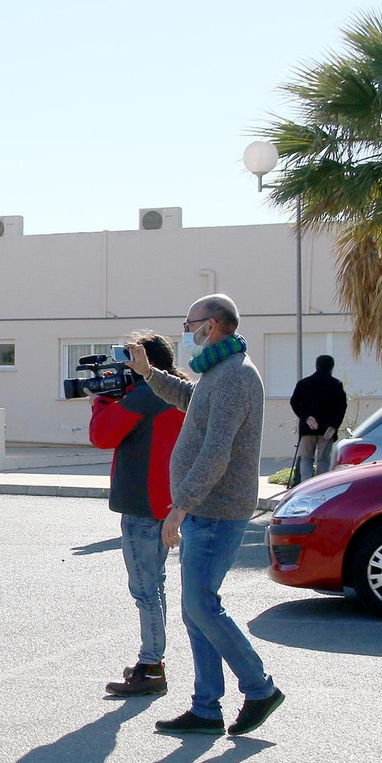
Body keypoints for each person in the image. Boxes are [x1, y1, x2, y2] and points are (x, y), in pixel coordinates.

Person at [124, 294, 284, 736]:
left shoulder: (235, 375)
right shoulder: (220, 372)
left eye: (189, 323)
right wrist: (149, 373)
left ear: (211, 325)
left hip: (215, 510)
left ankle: (259, 688)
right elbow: (188, 398)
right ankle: (207, 708)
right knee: (198, 610)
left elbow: (216, 451)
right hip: (206, 510)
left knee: (200, 606)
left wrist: (181, 506)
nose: (186, 331)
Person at [88, 331, 185, 698]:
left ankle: (151, 665)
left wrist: (100, 402)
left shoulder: (145, 395)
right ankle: (153, 661)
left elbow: (102, 435)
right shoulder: (179, 391)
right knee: (155, 585)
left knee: (145, 589)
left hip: (143, 505)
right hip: (173, 504)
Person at [290, 354, 348, 482]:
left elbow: (294, 402)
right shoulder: (336, 384)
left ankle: (306, 486)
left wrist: (306, 417)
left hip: (307, 429)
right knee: (323, 460)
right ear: (332, 367)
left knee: (306, 458)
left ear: (316, 366)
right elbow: (341, 407)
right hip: (327, 430)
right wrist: (334, 426)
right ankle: (320, 486)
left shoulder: (304, 383)